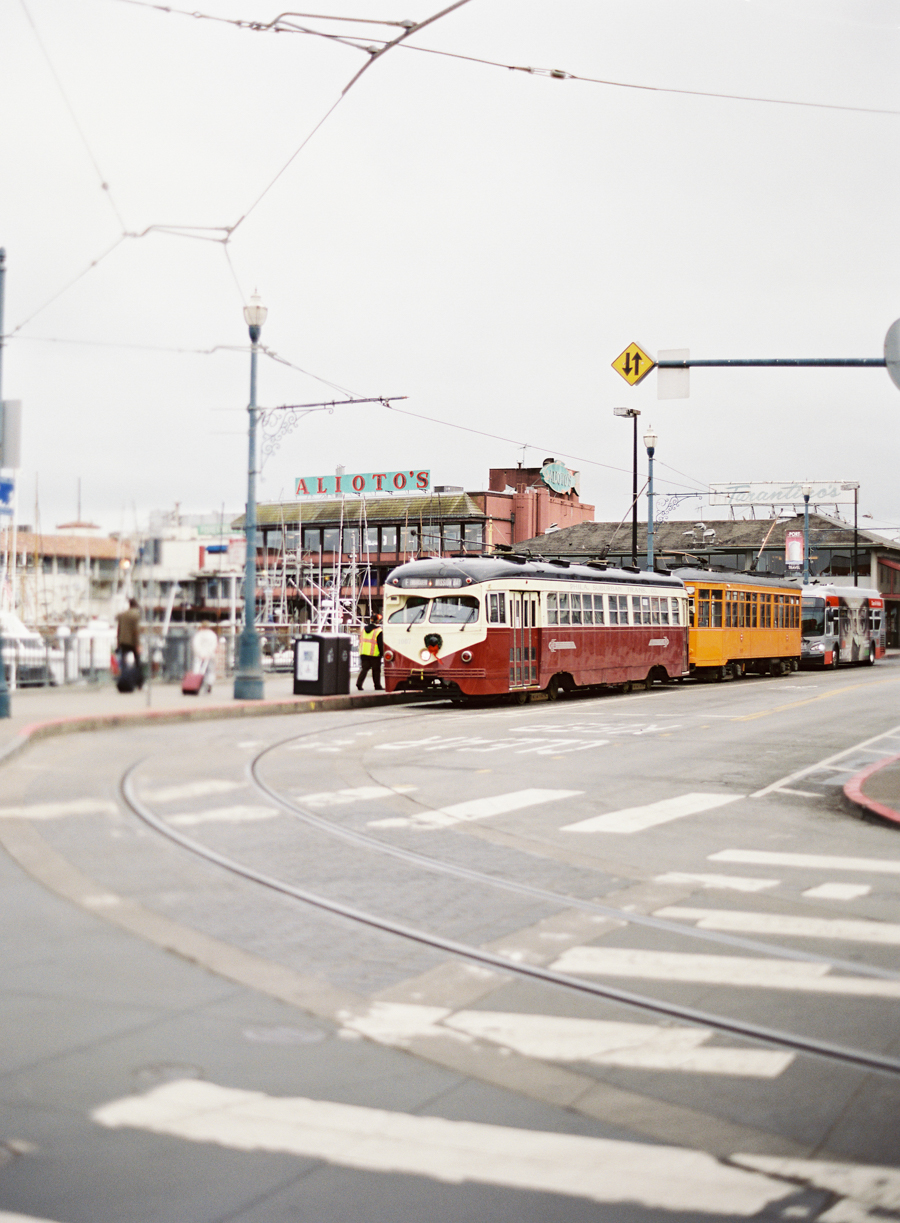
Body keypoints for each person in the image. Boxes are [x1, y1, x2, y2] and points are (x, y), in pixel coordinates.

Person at [115, 597, 143, 688]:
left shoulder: (123, 615)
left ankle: (124, 679)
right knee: (138, 662)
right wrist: (138, 644)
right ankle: (139, 682)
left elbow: (119, 629)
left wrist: (118, 642)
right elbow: (136, 631)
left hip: (123, 641)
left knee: (123, 662)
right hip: (132, 642)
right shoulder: (136, 615)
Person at [190, 621, 219, 693]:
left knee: (197, 670)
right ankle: (209, 683)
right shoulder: (212, 635)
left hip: (199, 656)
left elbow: (195, 645)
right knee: (210, 671)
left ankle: (197, 683)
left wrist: (199, 653)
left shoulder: (198, 634)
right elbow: (214, 645)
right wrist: (209, 653)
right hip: (210, 655)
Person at [357, 614, 383, 691]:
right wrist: (382, 654)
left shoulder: (364, 629)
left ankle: (359, 683)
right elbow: (380, 644)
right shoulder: (378, 631)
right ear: (377, 621)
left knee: (364, 669)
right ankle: (377, 686)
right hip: (374, 654)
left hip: (363, 652)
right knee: (376, 671)